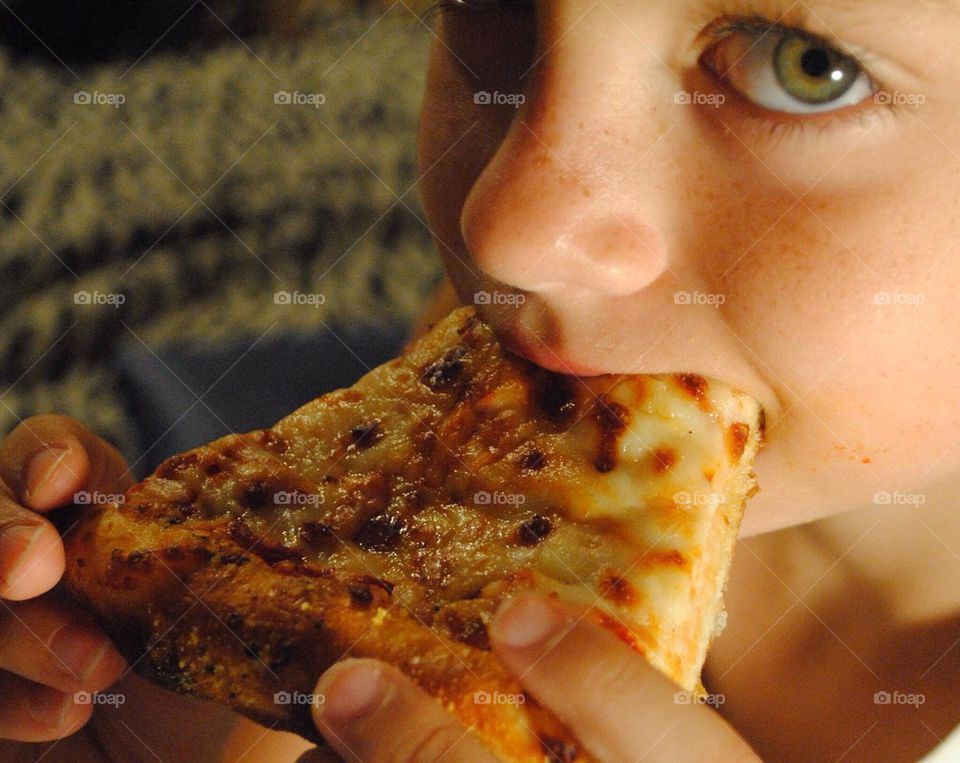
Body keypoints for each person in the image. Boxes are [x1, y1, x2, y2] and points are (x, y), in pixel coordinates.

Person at [2, 1, 959, 760]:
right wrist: (162, 721)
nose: (508, 226)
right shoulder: (536, 413)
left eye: (806, 66)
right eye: (494, 5)